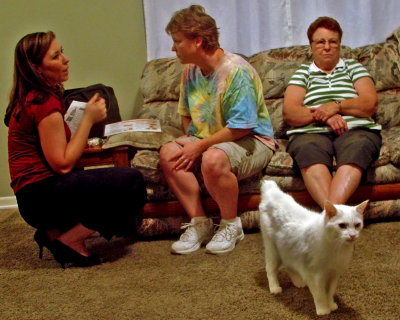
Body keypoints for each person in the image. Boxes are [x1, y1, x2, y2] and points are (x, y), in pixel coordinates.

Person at [5, 31, 147, 268]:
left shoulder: (30, 97)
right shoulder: (43, 102)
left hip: (34, 196)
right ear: (37, 68)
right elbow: (62, 164)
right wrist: (87, 120)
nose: (66, 59)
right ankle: (68, 240)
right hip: (39, 197)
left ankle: (53, 232)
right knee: (132, 183)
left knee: (108, 182)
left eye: (62, 52)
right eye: (56, 56)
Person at [159, 5, 277, 255]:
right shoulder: (190, 70)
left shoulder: (236, 71)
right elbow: (187, 115)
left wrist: (200, 147)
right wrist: (192, 140)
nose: (173, 48)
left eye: (177, 41)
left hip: (252, 140)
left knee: (213, 158)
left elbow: (242, 127)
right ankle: (200, 223)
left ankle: (231, 224)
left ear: (198, 41)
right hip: (212, 140)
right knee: (168, 152)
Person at [283, 17, 382, 209]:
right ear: (311, 46)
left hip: (356, 130)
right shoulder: (303, 73)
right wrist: (325, 115)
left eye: (333, 41)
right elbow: (290, 112)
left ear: (339, 44)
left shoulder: (353, 67)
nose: (327, 47)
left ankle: (329, 218)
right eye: (320, 42)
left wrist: (336, 106)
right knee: (307, 148)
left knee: (359, 145)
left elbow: (370, 103)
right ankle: (336, 218)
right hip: (310, 132)